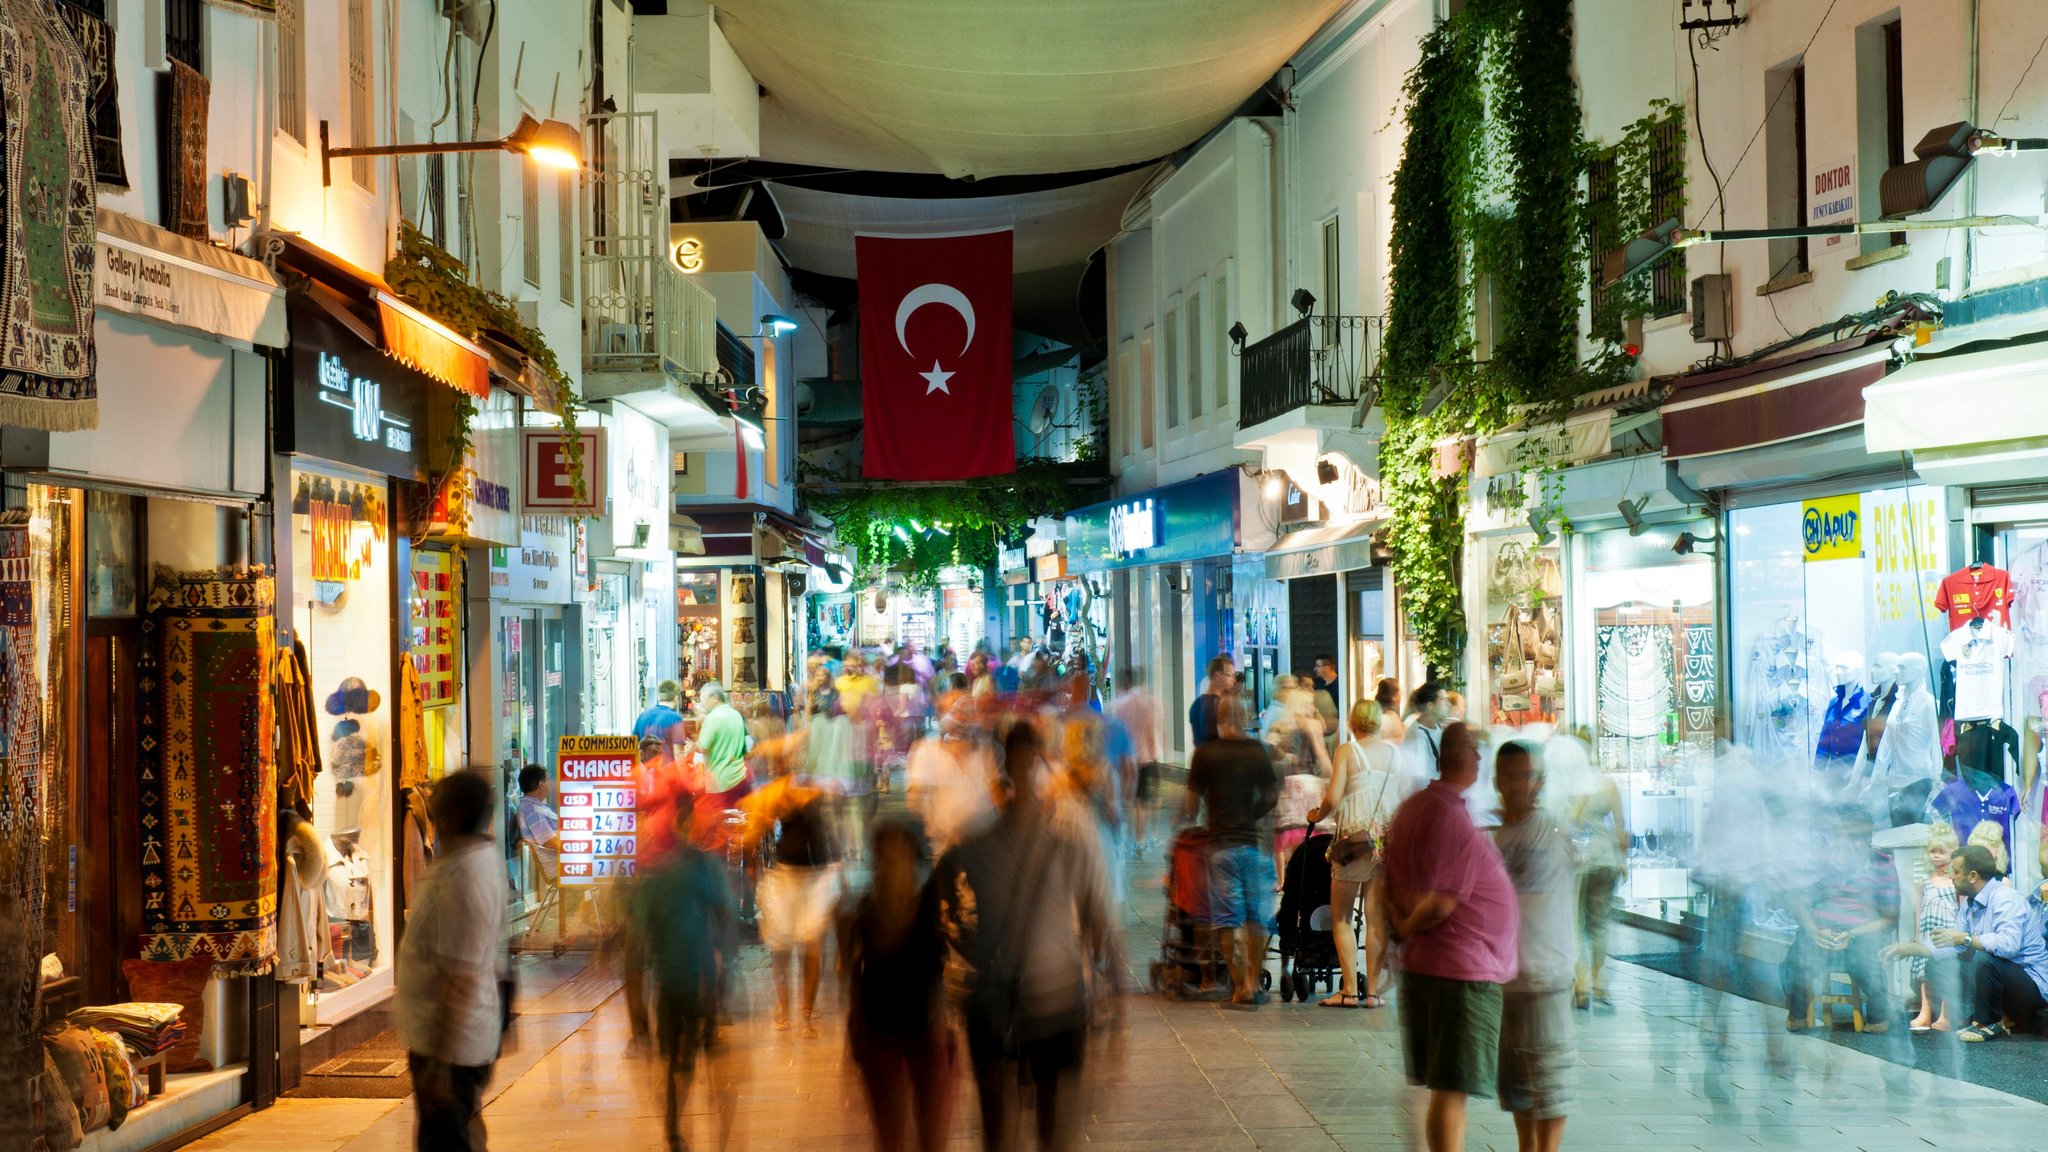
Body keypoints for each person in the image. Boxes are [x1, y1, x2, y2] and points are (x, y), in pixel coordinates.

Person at [936, 720, 1122, 1152]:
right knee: (1052, 1133)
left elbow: (940, 903)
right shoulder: (1069, 840)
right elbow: (1102, 929)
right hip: (1055, 997)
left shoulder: (974, 840)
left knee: (1000, 1133)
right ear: (1040, 762)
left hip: (994, 999)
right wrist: (1115, 1006)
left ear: (1000, 760)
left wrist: (970, 950)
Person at [1382, 722, 1518, 1152]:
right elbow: (1442, 902)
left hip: (1429, 964)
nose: (1480, 758)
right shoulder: (1449, 815)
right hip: (1458, 969)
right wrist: (1406, 927)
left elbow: (1387, 881)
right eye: (1473, 750)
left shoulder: (1416, 807)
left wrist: (1402, 928)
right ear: (1453, 755)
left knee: (1442, 1086)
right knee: (1451, 1089)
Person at [394, 770, 508, 1152]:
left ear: (452, 813)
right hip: (459, 1038)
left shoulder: (462, 878)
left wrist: (441, 1066)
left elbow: (458, 978)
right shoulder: (474, 859)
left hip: (450, 1045)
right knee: (462, 1128)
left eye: (436, 801)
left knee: (445, 1140)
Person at [845, 819, 955, 1152]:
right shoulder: (862, 911)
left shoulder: (928, 904)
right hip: (881, 1033)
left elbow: (940, 967)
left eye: (898, 853)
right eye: (884, 855)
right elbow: (854, 973)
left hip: (923, 1031)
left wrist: (943, 1020)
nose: (891, 862)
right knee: (891, 1135)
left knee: (928, 1135)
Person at [634, 801, 738, 1152]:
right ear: (688, 822)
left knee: (676, 1061)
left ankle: (673, 1128)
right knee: (689, 1060)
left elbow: (636, 942)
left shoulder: (653, 873)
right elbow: (724, 912)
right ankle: (682, 1128)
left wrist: (635, 1012)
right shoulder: (703, 865)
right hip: (697, 975)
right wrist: (724, 966)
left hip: (669, 979)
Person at [1491, 742, 1576, 1152]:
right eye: (1510, 775)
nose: (1519, 784)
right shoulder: (1491, 836)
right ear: (1497, 780)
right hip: (1505, 978)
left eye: (1527, 775)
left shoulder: (1555, 830)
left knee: (1551, 1078)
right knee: (1516, 1084)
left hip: (1547, 975)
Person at [1307, 699, 1406, 1008]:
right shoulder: (1395, 755)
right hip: (1384, 844)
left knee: (1342, 917)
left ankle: (1350, 990)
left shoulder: (1348, 752)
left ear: (1353, 723)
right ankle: (1373, 992)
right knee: (1376, 919)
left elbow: (1334, 798)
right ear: (1378, 723)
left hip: (1352, 843)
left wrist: (1316, 814)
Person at [1184, 693, 1279, 1007]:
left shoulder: (1205, 755)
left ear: (1218, 719)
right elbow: (1270, 797)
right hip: (1253, 844)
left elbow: (1190, 804)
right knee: (1257, 919)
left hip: (1220, 846)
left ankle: (1239, 986)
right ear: (1248, 716)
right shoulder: (1258, 752)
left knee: (1227, 919)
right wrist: (1251, 816)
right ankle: (1253, 980)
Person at [742, 738, 841, 1036]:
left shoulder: (811, 789)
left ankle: (805, 1012)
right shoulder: (778, 794)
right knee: (783, 947)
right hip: (785, 876)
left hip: (814, 877)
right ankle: (785, 1008)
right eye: (785, 760)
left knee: (810, 945)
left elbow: (828, 832)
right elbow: (752, 829)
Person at [1782, 806, 1898, 1034]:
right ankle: (1797, 1013)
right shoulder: (1820, 861)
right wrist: (1816, 931)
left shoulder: (1882, 863)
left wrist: (1852, 934)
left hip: (1861, 933)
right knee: (1796, 958)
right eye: (1851, 836)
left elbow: (1890, 919)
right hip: (1822, 933)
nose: (1857, 844)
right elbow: (1799, 904)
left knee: (1867, 958)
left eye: (1863, 837)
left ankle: (1878, 1017)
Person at [1929, 844, 2048, 1041]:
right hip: (2005, 978)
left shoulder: (2006, 898)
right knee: (1940, 963)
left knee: (1984, 958)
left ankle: (1987, 1023)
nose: (1951, 876)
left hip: (2033, 983)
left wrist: (1966, 939)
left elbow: (2007, 946)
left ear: (1973, 876)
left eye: (1956, 872)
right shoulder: (1970, 903)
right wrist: (1919, 950)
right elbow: (1956, 945)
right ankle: (1971, 1018)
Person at [905, 693, 998, 855]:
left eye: (968, 710)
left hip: (985, 849)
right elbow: (915, 800)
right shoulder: (926, 751)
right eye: (954, 710)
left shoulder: (988, 751)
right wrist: (942, 828)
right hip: (945, 847)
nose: (963, 716)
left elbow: (1000, 796)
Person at [515, 765, 587, 953]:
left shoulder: (535, 806)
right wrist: (582, 850)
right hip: (561, 865)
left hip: (567, 859)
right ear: (539, 784)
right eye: (546, 780)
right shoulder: (531, 809)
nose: (549, 784)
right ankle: (593, 922)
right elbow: (549, 841)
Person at [1908, 824, 1960, 1032]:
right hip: (1927, 933)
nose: (1936, 856)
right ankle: (1925, 1009)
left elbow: (1961, 907)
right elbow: (1918, 910)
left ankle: (1945, 1013)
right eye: (1932, 852)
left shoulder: (1955, 881)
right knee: (1923, 971)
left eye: (1941, 852)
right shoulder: (1924, 882)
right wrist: (1917, 933)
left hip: (1947, 934)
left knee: (1946, 971)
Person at [1107, 667, 1163, 854]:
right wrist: (1154, 756)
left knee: (1122, 798)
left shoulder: (1115, 705)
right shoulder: (1144, 704)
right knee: (1141, 801)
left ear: (1123, 683)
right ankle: (1139, 839)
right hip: (1142, 758)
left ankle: (1122, 837)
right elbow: (1150, 733)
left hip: (1120, 760)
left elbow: (1111, 733)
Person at [1401, 681, 1452, 785]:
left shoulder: (1437, 728)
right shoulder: (1416, 735)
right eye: (1443, 701)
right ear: (1430, 705)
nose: (1449, 705)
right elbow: (1417, 779)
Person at [1189, 655, 1237, 748]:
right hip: (1218, 759)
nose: (1234, 680)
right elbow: (1228, 740)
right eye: (1230, 675)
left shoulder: (1196, 704)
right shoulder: (1220, 705)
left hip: (1202, 758)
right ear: (1218, 675)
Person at [634, 680, 689, 755]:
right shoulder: (675, 718)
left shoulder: (643, 716)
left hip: (646, 766)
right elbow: (678, 754)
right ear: (676, 698)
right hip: (667, 766)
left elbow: (633, 745)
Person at [1375, 678, 1406, 743]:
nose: (1402, 694)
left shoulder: (1387, 715)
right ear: (1393, 697)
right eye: (1400, 692)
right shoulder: (1388, 717)